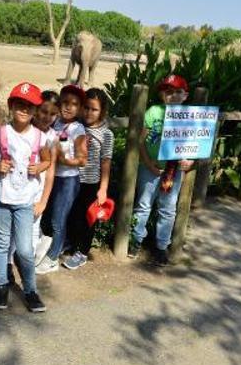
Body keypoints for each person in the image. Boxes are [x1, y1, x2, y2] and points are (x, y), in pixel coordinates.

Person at [0, 82, 51, 312]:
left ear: (35, 110)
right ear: (11, 105)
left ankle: (30, 289)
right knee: (1, 243)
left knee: (25, 249)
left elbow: (47, 159)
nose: (23, 109)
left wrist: (40, 167)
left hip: (26, 200)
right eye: (19, 104)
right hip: (2, 198)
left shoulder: (40, 136)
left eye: (29, 106)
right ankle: (1, 284)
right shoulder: (0, 133)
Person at [129, 75, 194, 266]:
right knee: (143, 204)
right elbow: (141, 140)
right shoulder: (153, 112)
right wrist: (148, 163)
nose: (172, 95)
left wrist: (190, 160)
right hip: (150, 167)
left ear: (185, 95)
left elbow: (195, 143)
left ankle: (161, 246)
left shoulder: (190, 116)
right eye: (168, 91)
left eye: (177, 92)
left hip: (173, 169)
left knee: (168, 208)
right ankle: (135, 241)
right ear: (161, 94)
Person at [36, 84, 87, 274]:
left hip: (67, 181)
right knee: (47, 219)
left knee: (58, 220)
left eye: (74, 104)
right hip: (50, 178)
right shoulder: (54, 123)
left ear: (80, 108)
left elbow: (83, 159)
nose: (68, 107)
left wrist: (66, 160)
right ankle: (45, 250)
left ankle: (52, 258)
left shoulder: (77, 128)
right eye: (65, 102)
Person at [63, 88, 113, 270]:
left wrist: (103, 188)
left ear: (102, 111)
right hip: (72, 178)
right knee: (72, 214)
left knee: (87, 218)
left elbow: (106, 162)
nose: (89, 113)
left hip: (91, 183)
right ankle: (71, 243)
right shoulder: (76, 126)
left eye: (94, 109)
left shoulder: (106, 134)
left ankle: (82, 252)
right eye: (86, 107)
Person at [30, 90, 61, 264]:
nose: (47, 117)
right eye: (43, 111)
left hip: (38, 189)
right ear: (36, 109)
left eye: (52, 114)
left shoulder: (52, 137)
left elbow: (51, 170)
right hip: (17, 187)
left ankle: (29, 261)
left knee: (34, 225)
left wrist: (44, 201)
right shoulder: (23, 128)